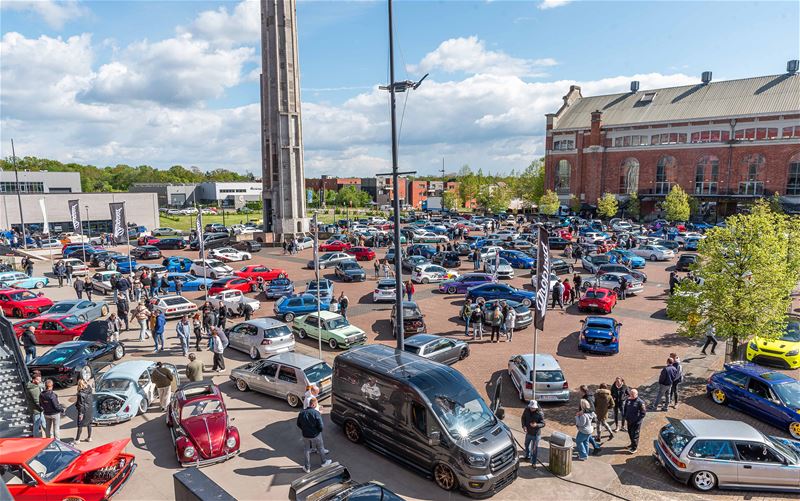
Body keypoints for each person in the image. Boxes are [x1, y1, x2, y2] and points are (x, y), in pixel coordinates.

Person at [296, 398, 331, 473]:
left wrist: (304, 429)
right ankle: (324, 462)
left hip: (305, 435)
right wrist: (318, 431)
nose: (316, 406)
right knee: (320, 448)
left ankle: (307, 467)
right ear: (313, 404)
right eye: (316, 404)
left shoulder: (301, 413)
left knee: (307, 450)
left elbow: (298, 424)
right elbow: (321, 426)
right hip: (316, 435)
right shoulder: (316, 413)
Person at [521, 400, 544, 467]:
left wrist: (536, 425)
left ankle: (533, 463)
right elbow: (523, 418)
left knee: (534, 449)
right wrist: (524, 426)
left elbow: (543, 424)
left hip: (536, 435)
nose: (531, 409)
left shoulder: (540, 413)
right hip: (528, 432)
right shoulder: (526, 410)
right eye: (531, 407)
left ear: (536, 408)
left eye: (533, 408)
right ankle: (527, 456)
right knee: (526, 445)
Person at [623, 388, 647, 453]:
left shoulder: (640, 402)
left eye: (633, 394)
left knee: (635, 435)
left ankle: (634, 448)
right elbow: (625, 408)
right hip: (629, 421)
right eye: (631, 394)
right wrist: (625, 416)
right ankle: (632, 444)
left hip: (636, 422)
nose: (632, 395)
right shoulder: (628, 400)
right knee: (630, 433)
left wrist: (637, 421)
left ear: (637, 394)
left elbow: (643, 413)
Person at [25, 370, 43, 437]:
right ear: (34, 380)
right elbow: (37, 402)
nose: (39, 382)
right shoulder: (34, 389)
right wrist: (43, 409)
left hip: (37, 409)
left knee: (43, 423)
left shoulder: (33, 385)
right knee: (36, 424)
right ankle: (36, 438)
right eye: (38, 380)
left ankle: (49, 435)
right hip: (37, 410)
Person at [75, 378, 93, 442]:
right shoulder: (89, 389)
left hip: (83, 411)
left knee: (80, 424)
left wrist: (80, 413)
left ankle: (77, 439)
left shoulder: (80, 394)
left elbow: (80, 405)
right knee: (89, 424)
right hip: (89, 409)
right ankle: (89, 437)